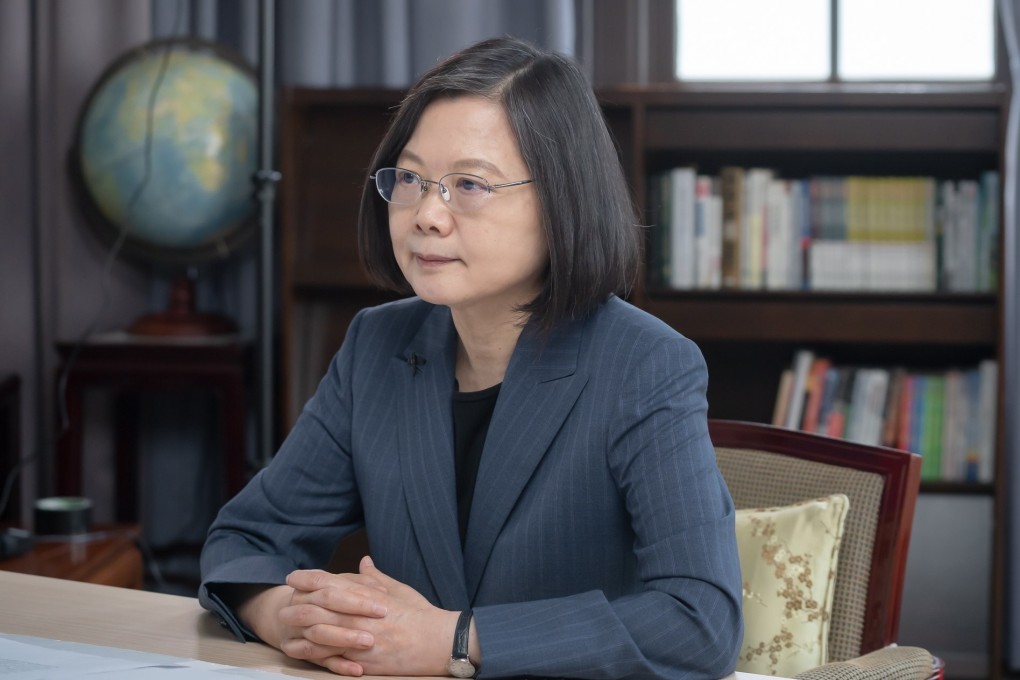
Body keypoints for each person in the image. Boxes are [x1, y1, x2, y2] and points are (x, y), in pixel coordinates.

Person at [199, 36, 742, 679]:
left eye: (469, 185)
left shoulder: (646, 366)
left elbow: (699, 620)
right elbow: (246, 541)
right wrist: (285, 615)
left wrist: (455, 640)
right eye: (411, 178)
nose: (428, 214)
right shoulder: (378, 345)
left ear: (561, 201)